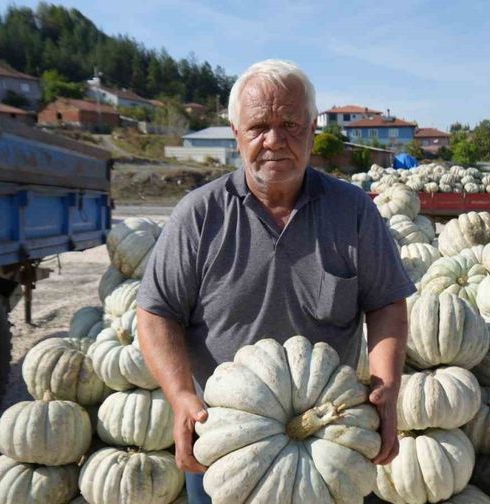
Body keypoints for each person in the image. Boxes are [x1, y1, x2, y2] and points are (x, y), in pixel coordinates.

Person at [136, 59, 415, 504]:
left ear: (312, 128)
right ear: (236, 132)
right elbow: (155, 314)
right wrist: (181, 396)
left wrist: (386, 388)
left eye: (289, 123)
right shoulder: (199, 214)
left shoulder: (354, 211)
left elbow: (386, 304)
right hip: (227, 439)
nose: (274, 141)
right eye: (259, 126)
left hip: (329, 435)